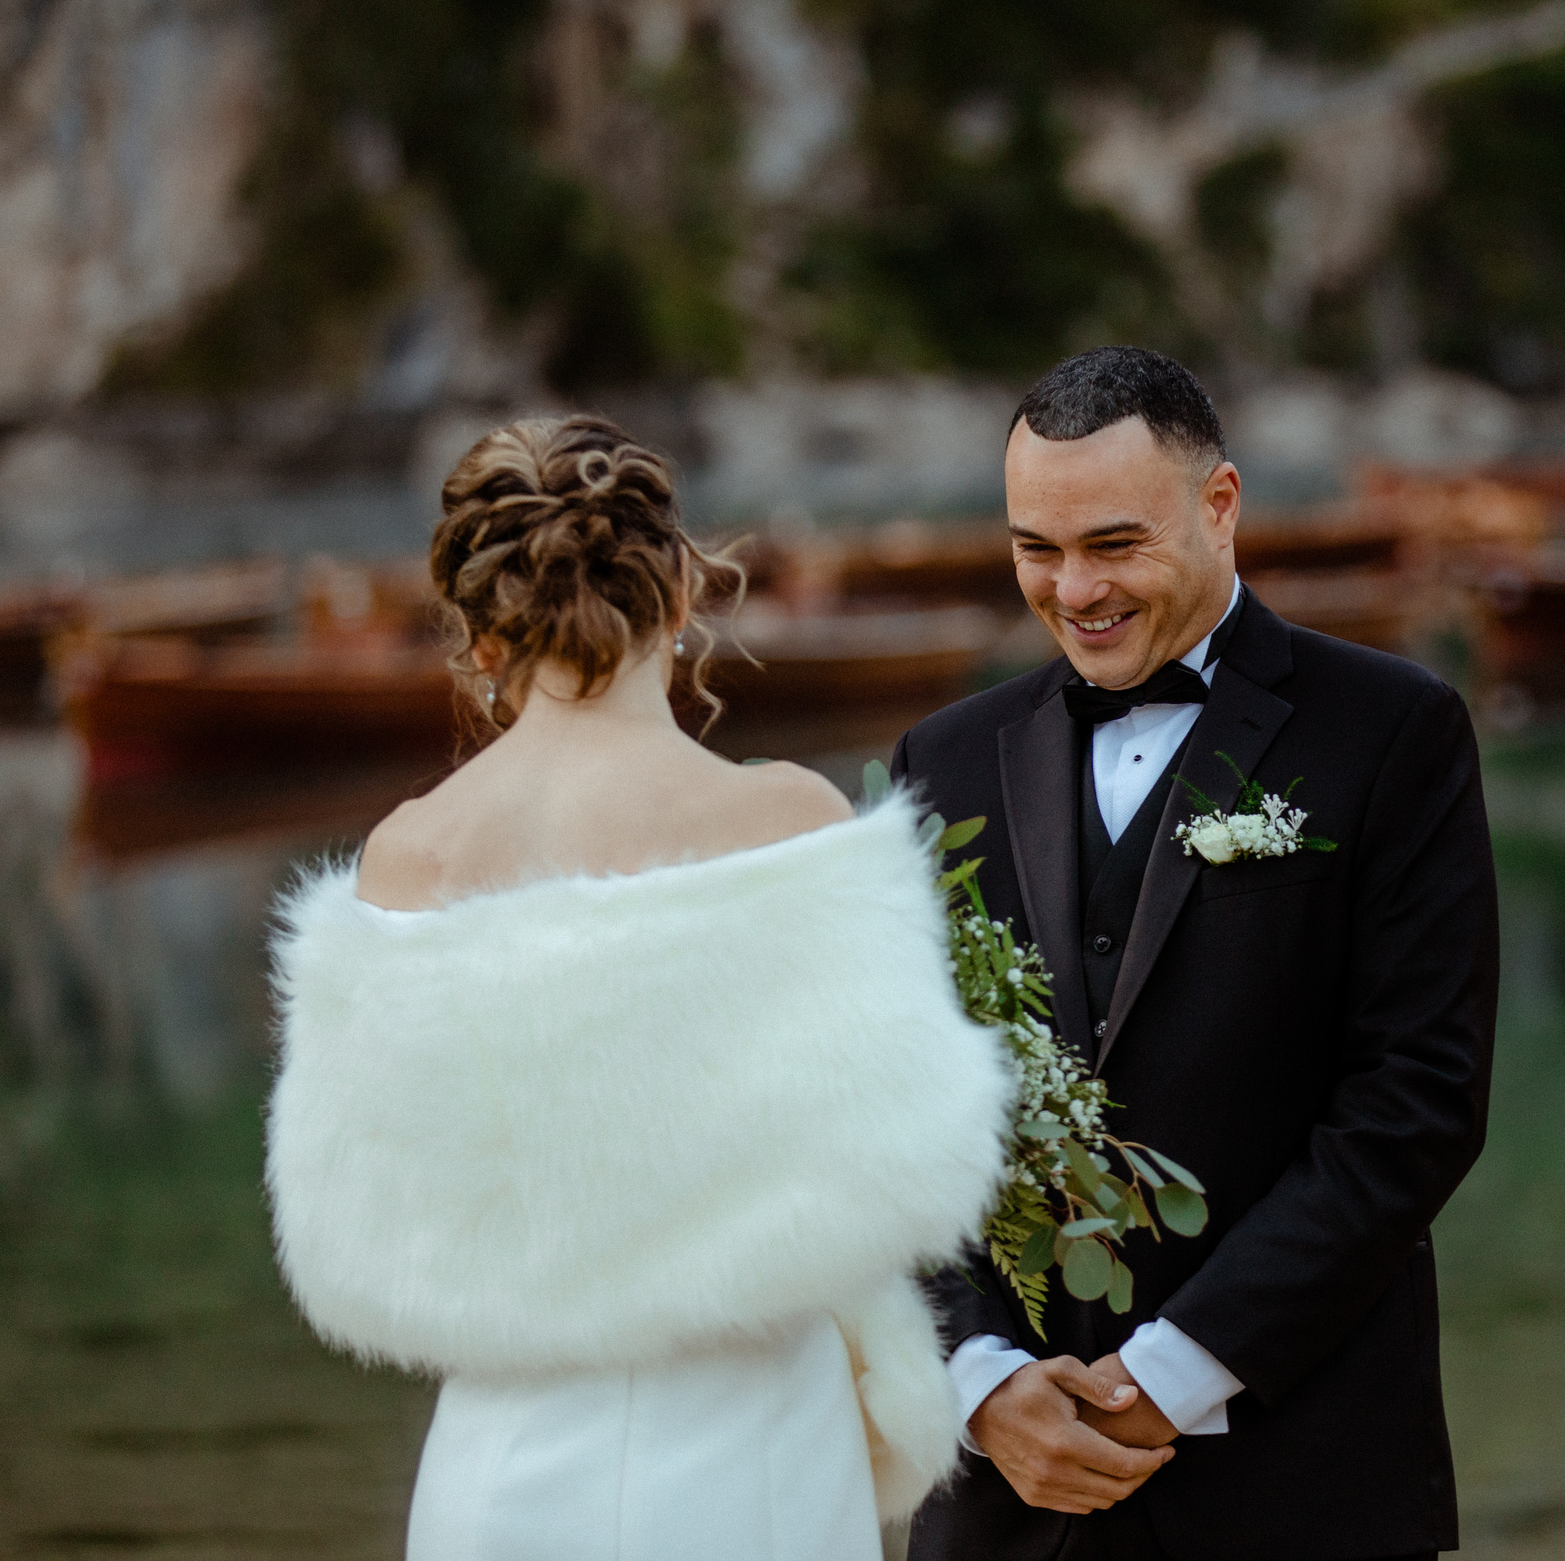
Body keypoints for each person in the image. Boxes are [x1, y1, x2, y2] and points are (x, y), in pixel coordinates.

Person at [264, 417, 1016, 1561]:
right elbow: (913, 1162)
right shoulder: (790, 826)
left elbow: (355, 1220)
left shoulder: (402, 860)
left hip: (500, 1453)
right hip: (758, 1436)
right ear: (681, 595)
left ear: (476, 635)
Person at [893, 347, 1500, 1561]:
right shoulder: (942, 761)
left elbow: (1415, 1104)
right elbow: (892, 1112)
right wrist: (977, 1375)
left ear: (1219, 506)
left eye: (1114, 545)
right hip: (1008, 1499)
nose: (1074, 591)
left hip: (1300, 1487)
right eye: (1034, 550)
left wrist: (1173, 1373)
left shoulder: (1393, 732)